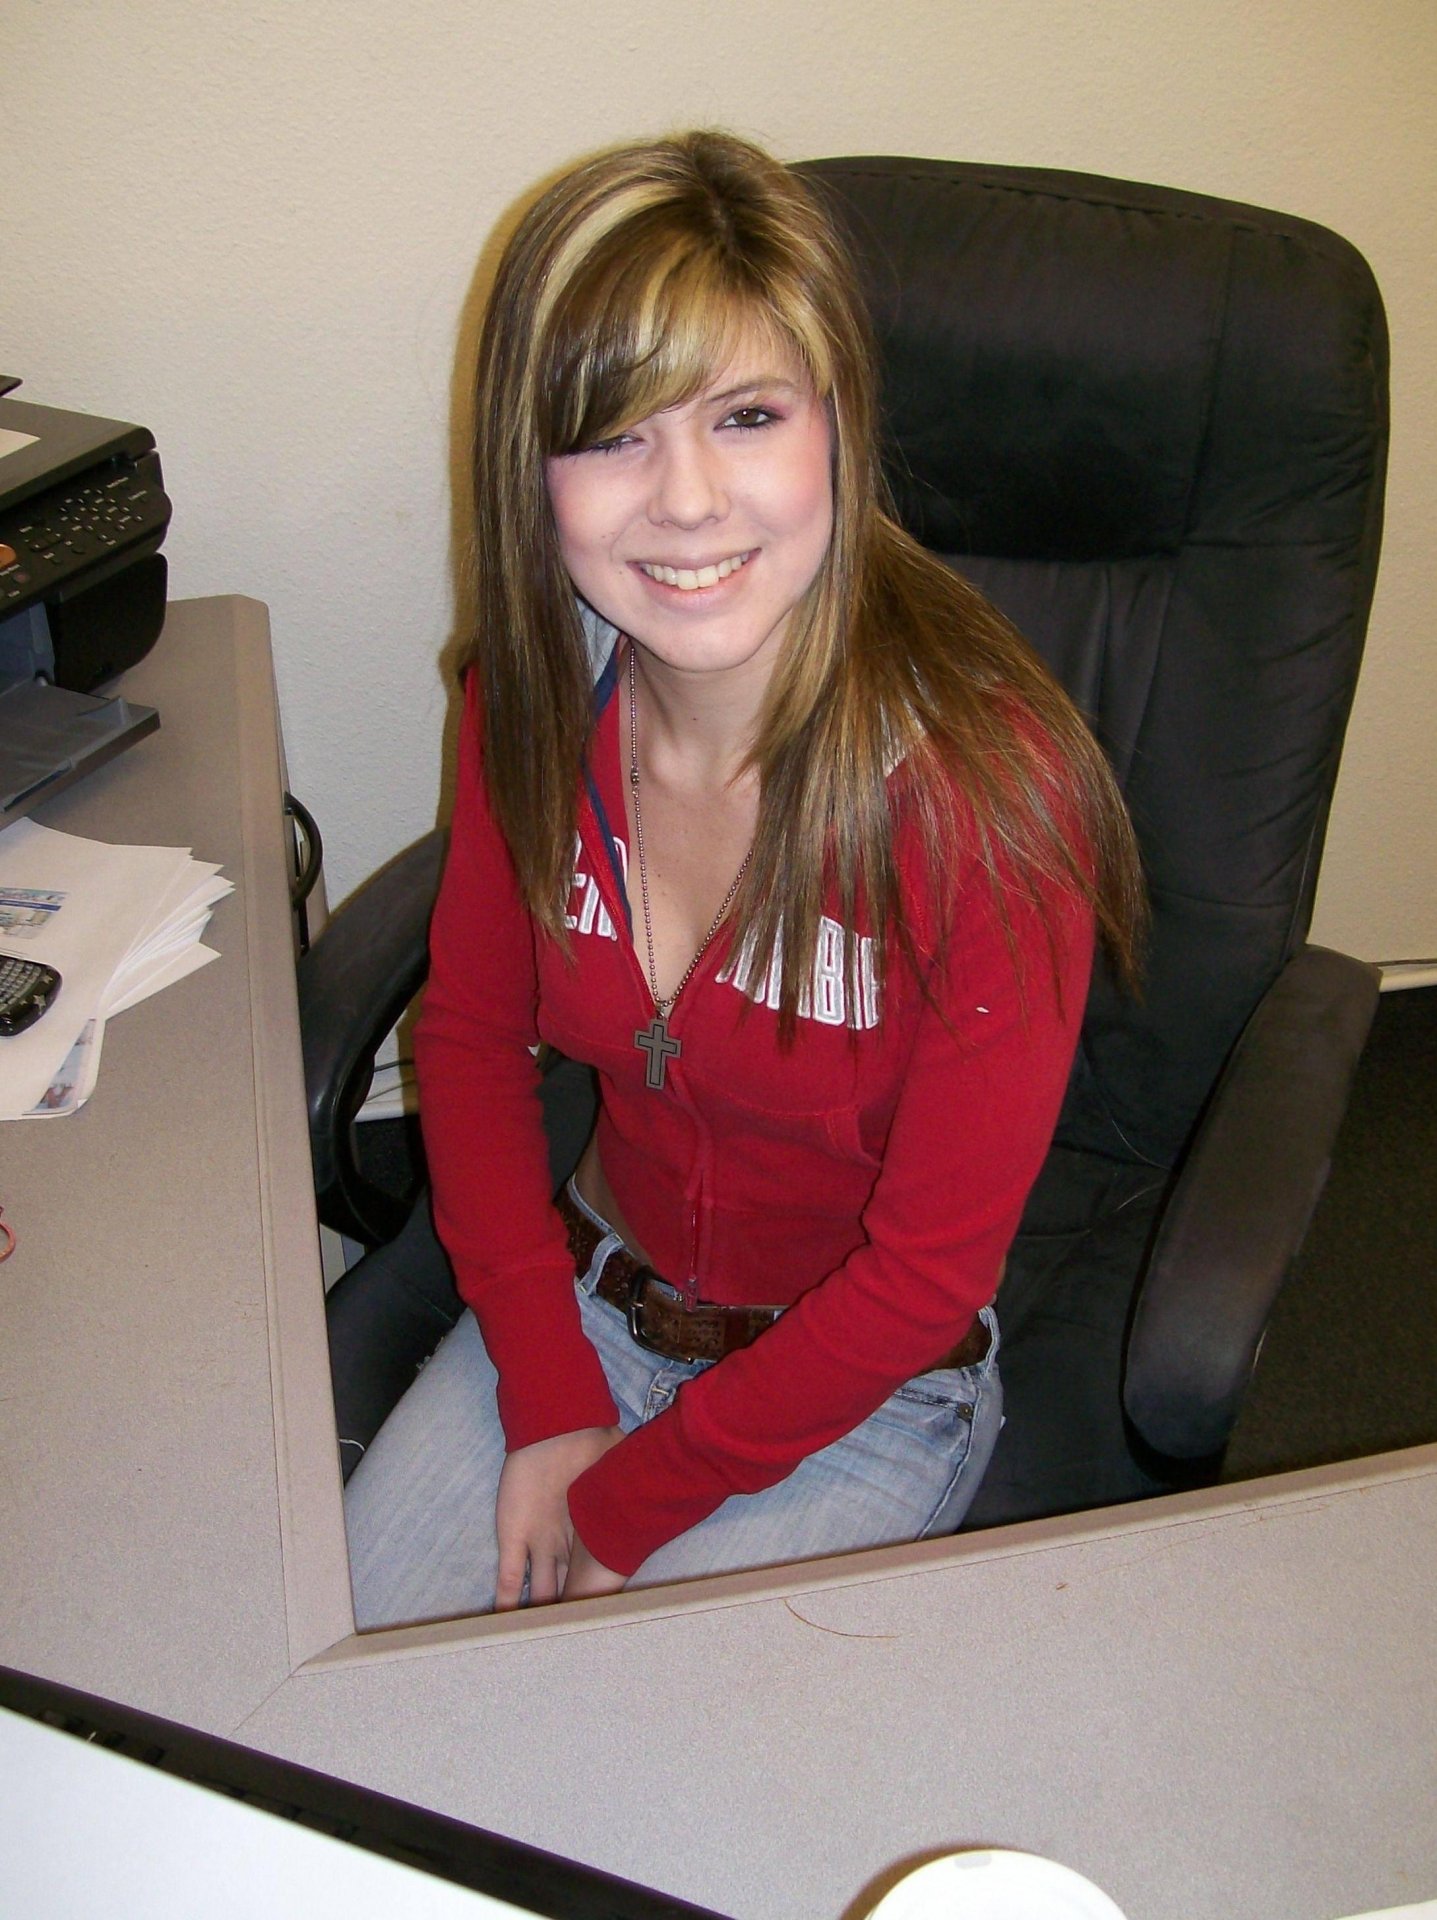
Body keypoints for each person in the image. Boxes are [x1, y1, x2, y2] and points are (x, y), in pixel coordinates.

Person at [343, 130, 1145, 1627]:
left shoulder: (986, 799)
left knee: (621, 1759)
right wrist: (547, 1389)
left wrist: (632, 1501)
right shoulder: (528, 709)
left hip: (859, 1388)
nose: (689, 500)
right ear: (532, 472)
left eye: (749, 416)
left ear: (837, 428)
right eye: (613, 435)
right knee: (335, 1714)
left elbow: (921, 1280)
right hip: (584, 1310)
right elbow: (466, 1040)